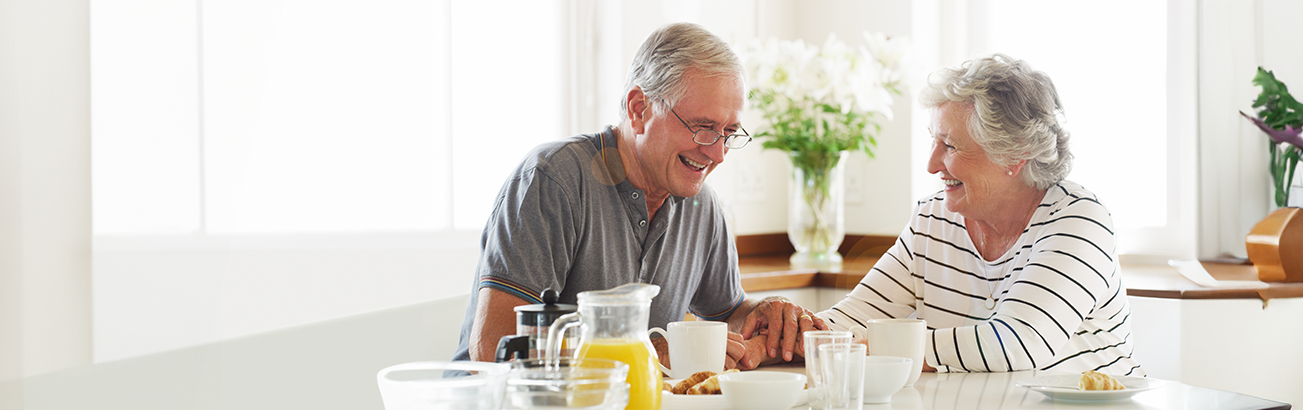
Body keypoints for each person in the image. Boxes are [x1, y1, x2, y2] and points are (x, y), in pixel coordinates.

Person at [451, 22, 817, 370]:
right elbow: (495, 348)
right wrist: (647, 352)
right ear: (638, 109)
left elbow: (725, 313)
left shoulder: (701, 205)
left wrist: (763, 314)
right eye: (704, 128)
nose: (718, 153)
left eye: (729, 132)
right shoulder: (552, 180)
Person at [807, 54, 1143, 375]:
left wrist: (879, 348)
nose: (931, 164)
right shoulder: (932, 219)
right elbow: (851, 319)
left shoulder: (1080, 220)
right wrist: (786, 335)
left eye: (950, 146)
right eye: (933, 141)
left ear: (1014, 155)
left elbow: (1018, 342)